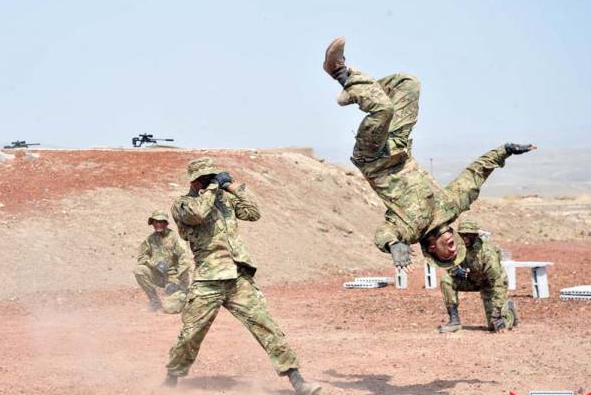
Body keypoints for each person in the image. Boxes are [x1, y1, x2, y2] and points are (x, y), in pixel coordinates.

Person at [323, 37, 536, 271]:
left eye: (448, 255)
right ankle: (354, 91)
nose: (454, 249)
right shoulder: (452, 206)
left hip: (374, 158)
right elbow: (474, 176)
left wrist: (393, 245)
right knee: (408, 84)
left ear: (433, 249)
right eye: (456, 251)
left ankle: (340, 72)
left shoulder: (411, 229)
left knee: (383, 109)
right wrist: (504, 151)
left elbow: (384, 233)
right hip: (399, 145)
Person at [163, 156, 321, 395]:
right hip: (208, 279)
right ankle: (171, 378)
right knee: (191, 334)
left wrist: (233, 189)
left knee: (266, 327)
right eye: (205, 179)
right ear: (195, 182)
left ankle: (297, 379)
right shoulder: (183, 204)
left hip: (237, 277)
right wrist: (214, 187)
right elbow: (198, 214)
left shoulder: (222, 200)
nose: (209, 182)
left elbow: (252, 213)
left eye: (212, 177)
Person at [438, 220, 518, 333]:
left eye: (468, 235)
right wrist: (455, 270)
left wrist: (499, 310)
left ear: (475, 236)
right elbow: (448, 263)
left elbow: (497, 284)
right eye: (462, 235)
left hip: (490, 284)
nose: (464, 238)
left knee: (496, 326)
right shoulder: (457, 247)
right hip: (471, 280)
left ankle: (509, 313)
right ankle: (454, 321)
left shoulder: (487, 253)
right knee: (446, 280)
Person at [134, 210, 190, 313]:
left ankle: (185, 299)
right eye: (155, 222)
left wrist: (177, 279)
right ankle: (155, 302)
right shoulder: (150, 239)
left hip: (175, 278)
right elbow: (142, 257)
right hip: (160, 276)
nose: (158, 224)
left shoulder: (175, 238)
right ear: (152, 224)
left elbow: (185, 260)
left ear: (166, 224)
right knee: (139, 270)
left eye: (161, 222)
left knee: (169, 308)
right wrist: (154, 263)